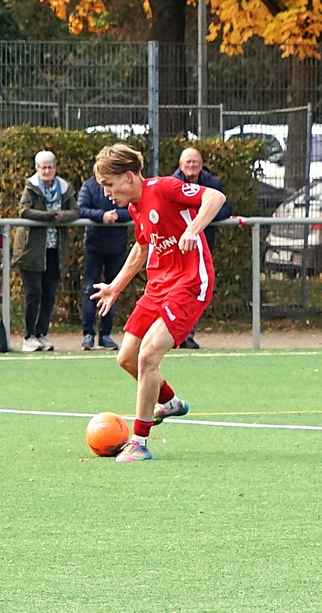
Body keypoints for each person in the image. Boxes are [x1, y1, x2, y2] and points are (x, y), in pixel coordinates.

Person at [91, 144, 225, 462]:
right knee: (126, 358)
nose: (107, 193)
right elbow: (141, 249)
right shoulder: (136, 207)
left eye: (109, 185)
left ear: (128, 177)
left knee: (148, 355)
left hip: (190, 282)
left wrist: (193, 228)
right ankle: (170, 402)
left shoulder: (163, 187)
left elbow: (215, 197)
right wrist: (115, 288)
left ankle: (138, 442)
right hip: (158, 286)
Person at [12, 150, 80, 352]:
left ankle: (42, 333)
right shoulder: (31, 187)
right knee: (34, 293)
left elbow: (75, 211)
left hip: (55, 249)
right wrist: (48, 216)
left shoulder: (65, 188)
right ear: (37, 169)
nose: (47, 171)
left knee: (49, 293)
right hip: (32, 249)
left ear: (55, 168)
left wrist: (61, 216)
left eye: (50, 167)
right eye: (43, 167)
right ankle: (29, 335)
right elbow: (24, 210)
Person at [171, 147, 232, 349]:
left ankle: (187, 334)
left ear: (202, 164)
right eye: (188, 162)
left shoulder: (213, 183)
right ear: (181, 165)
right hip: (177, 245)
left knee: (196, 289)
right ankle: (173, 333)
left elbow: (225, 208)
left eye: (195, 162)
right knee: (175, 288)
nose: (192, 165)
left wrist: (201, 218)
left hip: (203, 245)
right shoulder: (173, 184)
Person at [77, 175, 129, 351]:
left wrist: (117, 215)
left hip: (117, 246)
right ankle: (88, 335)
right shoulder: (89, 186)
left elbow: (133, 208)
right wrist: (102, 216)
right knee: (90, 289)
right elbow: (81, 209)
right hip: (93, 245)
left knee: (113, 288)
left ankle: (105, 335)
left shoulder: (123, 185)